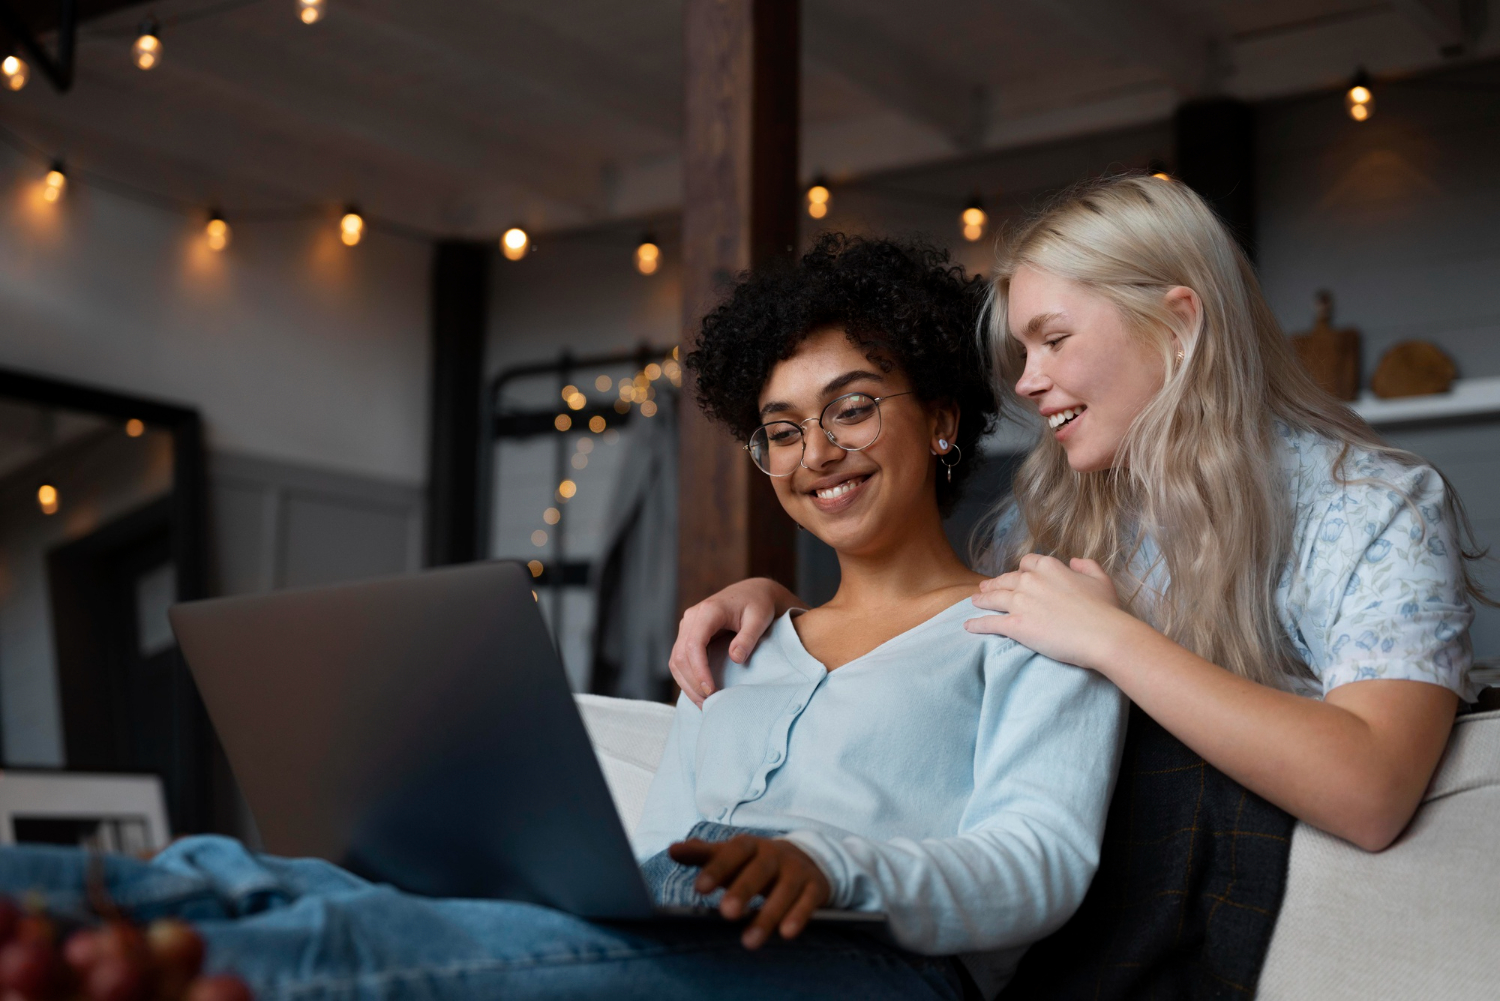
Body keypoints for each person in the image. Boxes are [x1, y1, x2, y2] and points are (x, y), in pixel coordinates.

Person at [0, 236, 1123, 1001]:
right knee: (253, 872)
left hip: (865, 967)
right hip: (668, 932)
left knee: (356, 940)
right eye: (780, 428)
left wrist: (829, 861)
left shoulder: (1028, 619)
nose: (815, 452)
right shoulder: (735, 645)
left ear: (939, 418)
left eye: (852, 407)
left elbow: (1041, 859)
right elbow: (658, 858)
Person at [670, 174, 1483, 855]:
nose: (1026, 382)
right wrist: (792, 622)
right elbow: (932, 691)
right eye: (1023, 353)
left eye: (1052, 340)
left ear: (1179, 324)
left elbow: (1372, 790)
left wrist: (1113, 638)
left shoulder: (1373, 506)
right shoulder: (1046, 523)